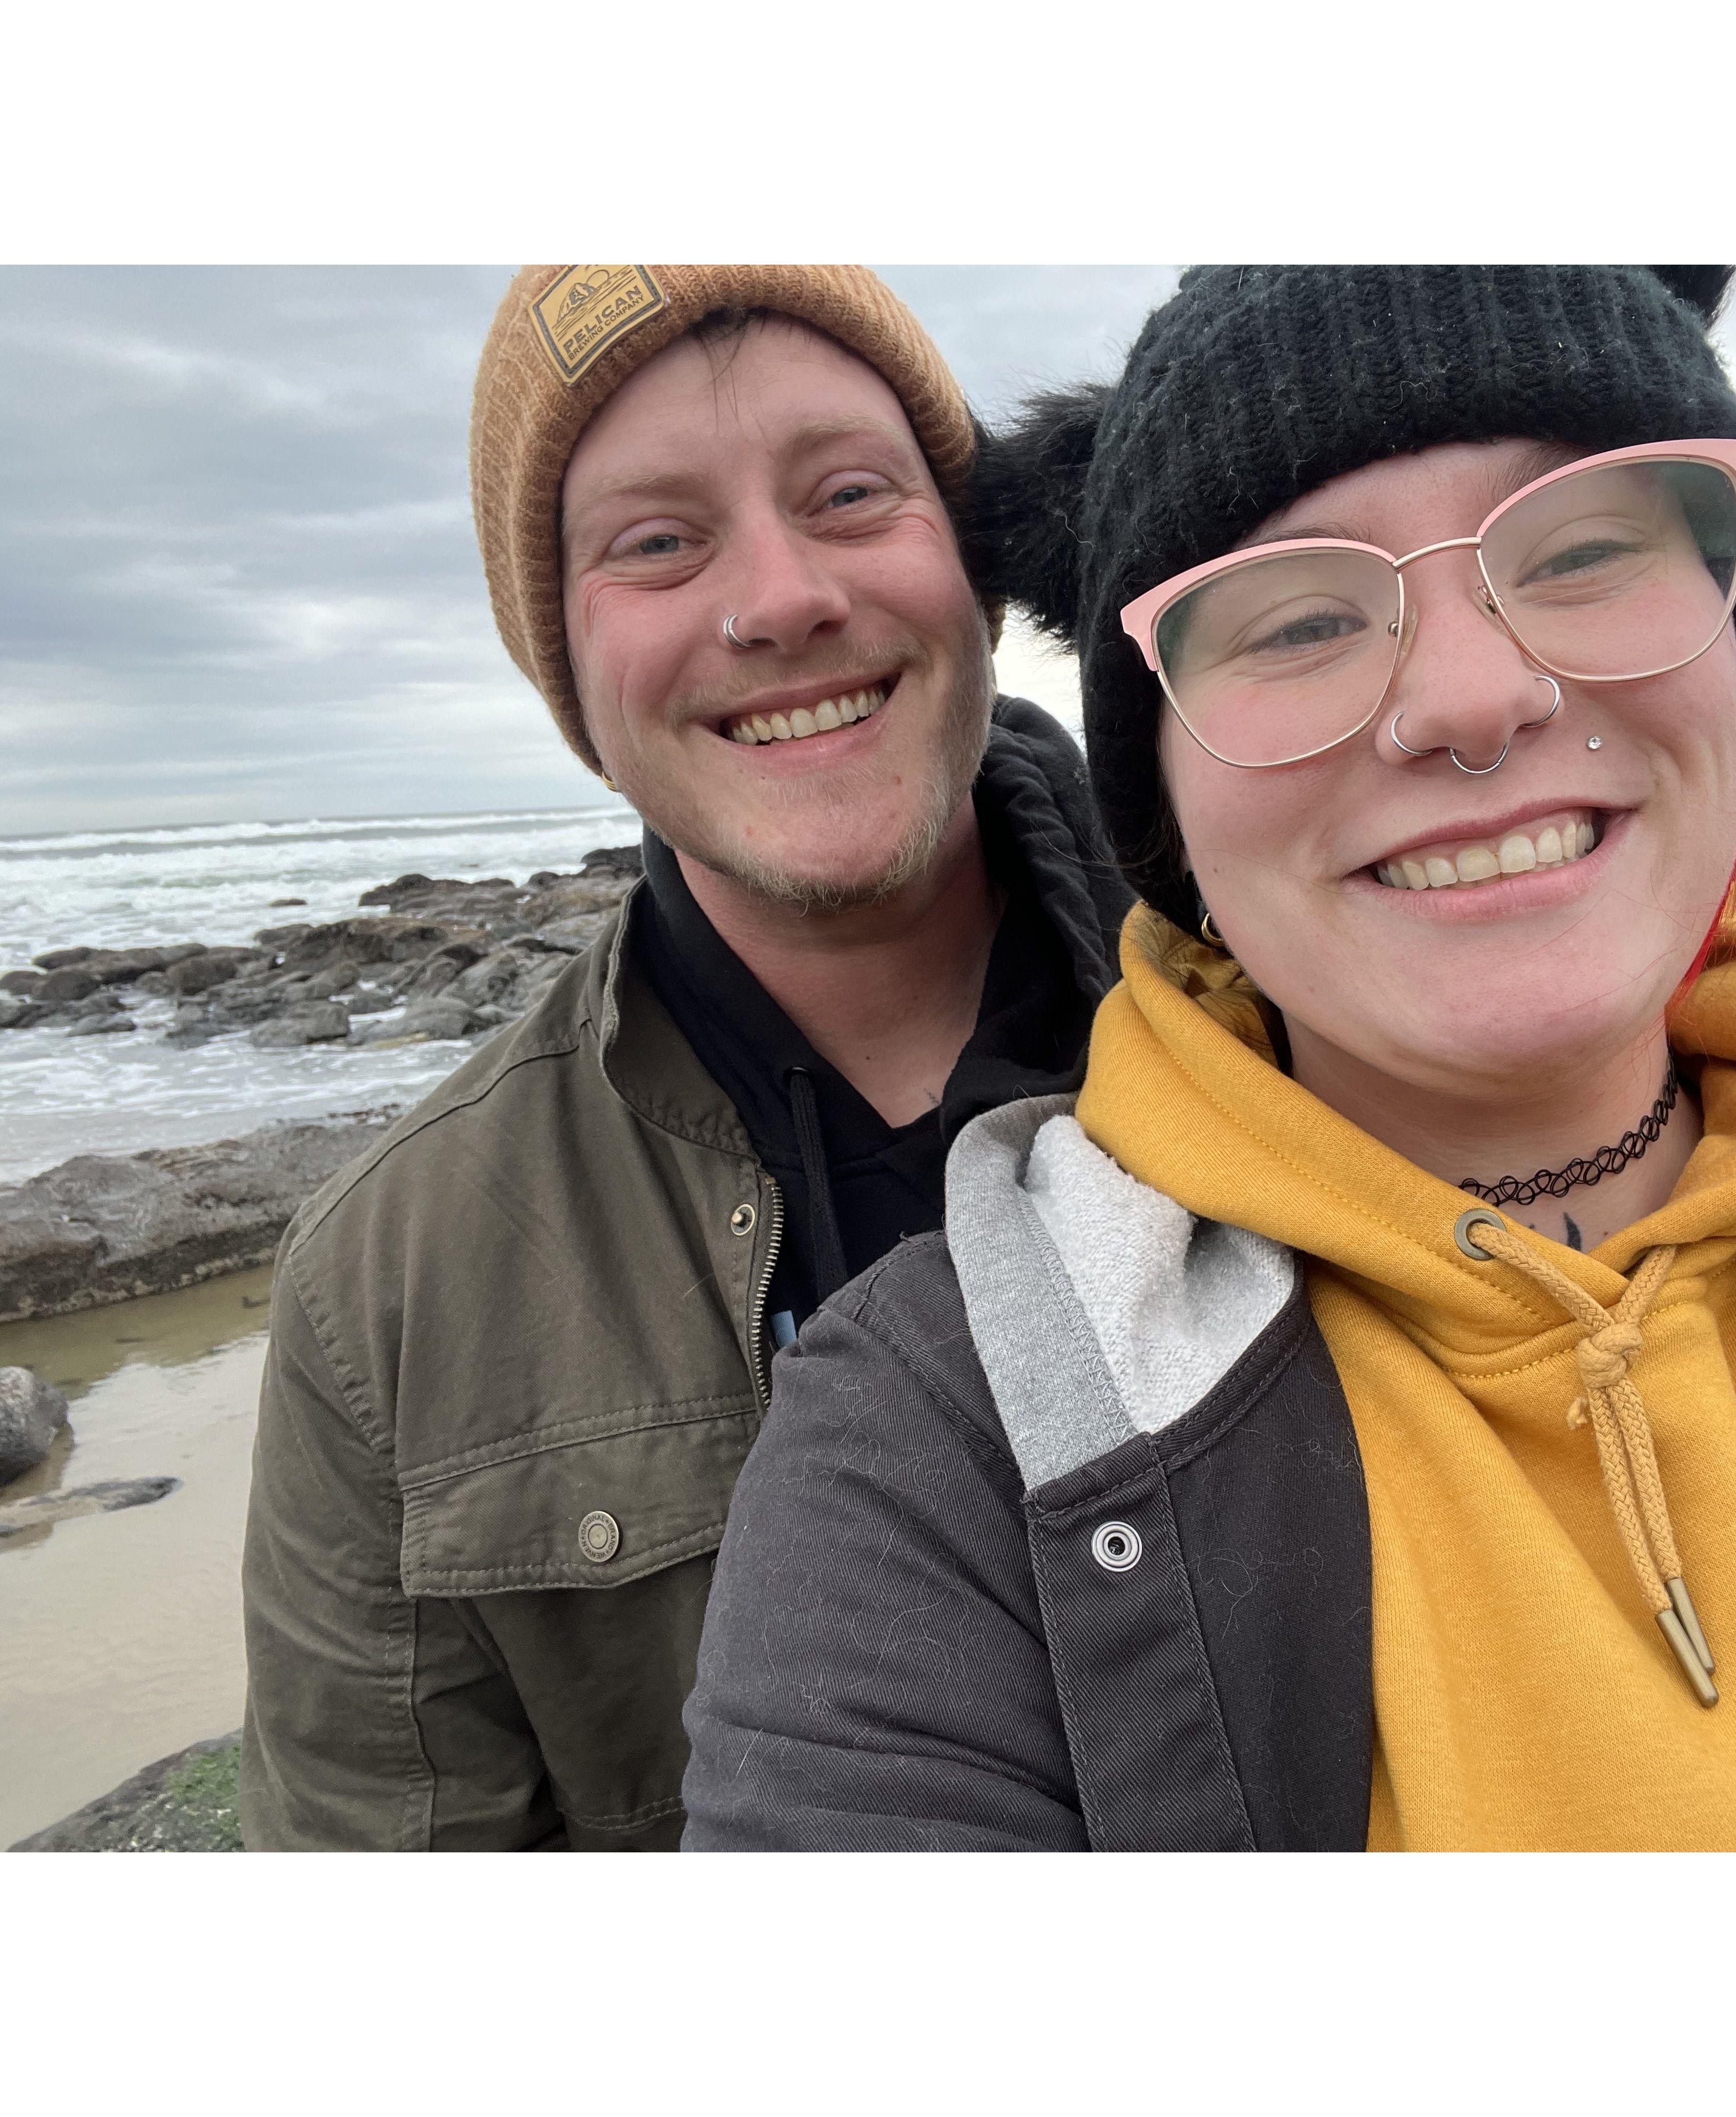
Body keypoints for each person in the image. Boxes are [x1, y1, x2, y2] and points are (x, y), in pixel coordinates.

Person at [682, 266, 1736, 1851]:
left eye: (1579, 553)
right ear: (1166, 805)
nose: (1473, 698)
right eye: (1300, 620)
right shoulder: (938, 1446)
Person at [238, 266, 1130, 1849]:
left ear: (973, 565)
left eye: (851, 495)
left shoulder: (1322, 1029)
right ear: (564, 665)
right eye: (657, 541)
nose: (780, 598)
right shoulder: (386, 1283)